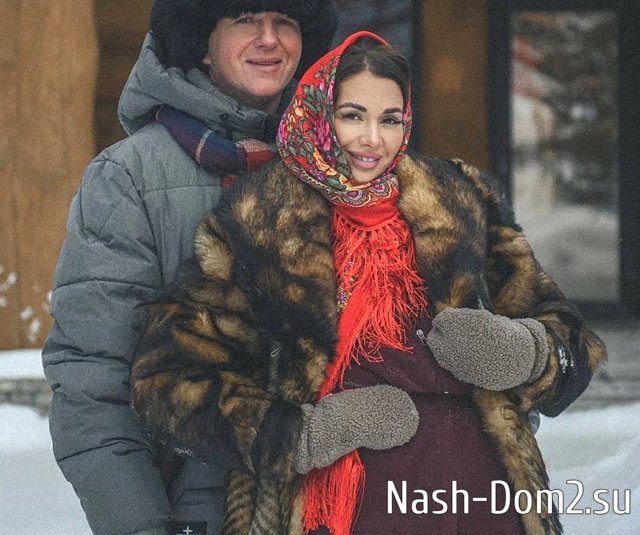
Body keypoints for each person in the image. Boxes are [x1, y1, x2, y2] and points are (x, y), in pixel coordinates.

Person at [129, 30, 607, 535]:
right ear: (319, 115)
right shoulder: (260, 223)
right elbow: (165, 381)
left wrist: (523, 353)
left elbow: (572, 340)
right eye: (352, 116)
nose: (372, 139)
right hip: (338, 512)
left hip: (484, 504)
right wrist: (305, 435)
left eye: (390, 119)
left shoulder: (461, 201)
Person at [42, 0, 337, 535]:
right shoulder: (129, 177)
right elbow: (93, 383)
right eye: (244, 19)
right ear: (202, 40)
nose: (269, 39)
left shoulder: (340, 167)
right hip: (193, 513)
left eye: (285, 20)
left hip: (330, 506)